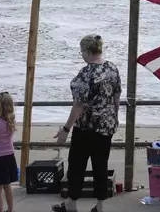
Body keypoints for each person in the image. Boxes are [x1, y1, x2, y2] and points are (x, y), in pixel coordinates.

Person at [52, 35, 122, 212]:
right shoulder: (112, 68)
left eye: (82, 51)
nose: (81, 55)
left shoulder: (86, 74)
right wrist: (114, 118)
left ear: (87, 51)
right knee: (101, 165)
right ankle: (99, 206)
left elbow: (79, 105)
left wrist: (66, 129)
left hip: (86, 128)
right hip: (106, 126)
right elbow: (116, 97)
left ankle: (71, 204)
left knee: (77, 165)